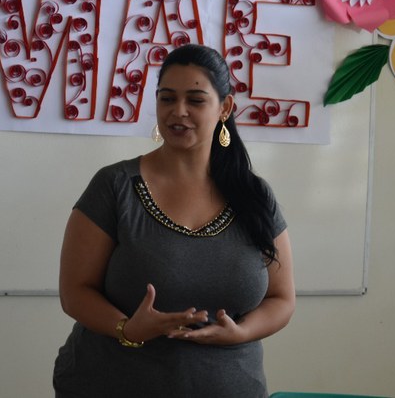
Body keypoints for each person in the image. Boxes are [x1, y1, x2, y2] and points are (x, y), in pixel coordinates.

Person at [53, 44, 295, 397]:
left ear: (225, 107)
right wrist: (127, 329)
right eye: (167, 98)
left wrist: (241, 333)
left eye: (195, 100)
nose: (178, 111)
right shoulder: (115, 186)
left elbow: (281, 298)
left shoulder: (254, 195)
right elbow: (75, 291)